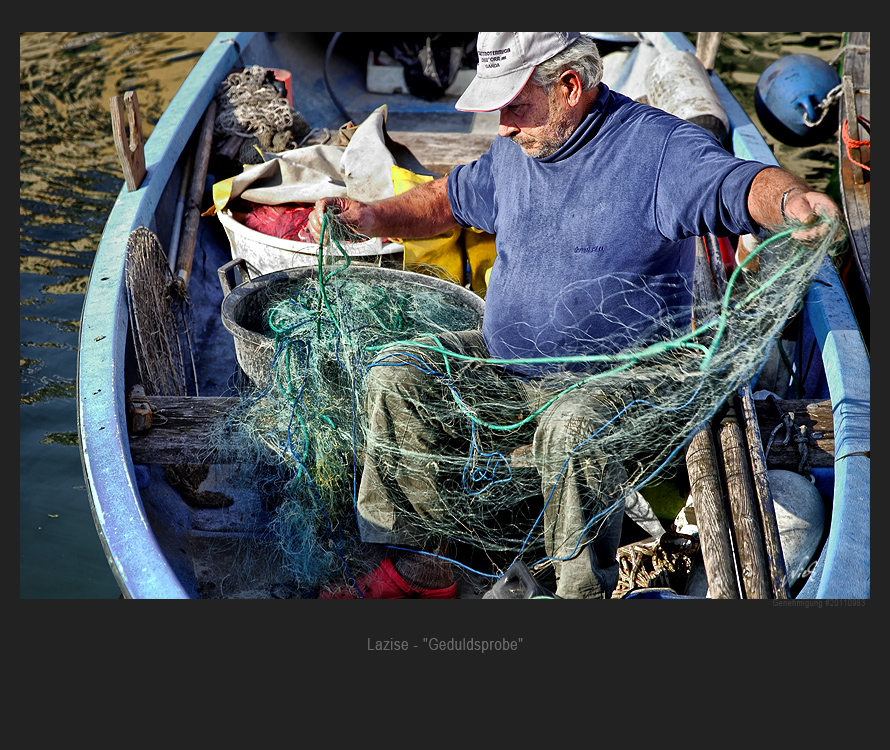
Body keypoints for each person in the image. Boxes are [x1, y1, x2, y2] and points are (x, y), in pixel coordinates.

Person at [308, 32, 842, 599]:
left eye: (513, 106)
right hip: (507, 365)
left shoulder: (657, 152)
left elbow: (739, 184)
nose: (503, 126)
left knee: (574, 425)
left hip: (625, 379)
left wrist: (791, 203)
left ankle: (576, 597)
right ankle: (420, 566)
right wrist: (371, 214)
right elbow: (446, 200)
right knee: (395, 372)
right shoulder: (516, 151)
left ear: (568, 87)